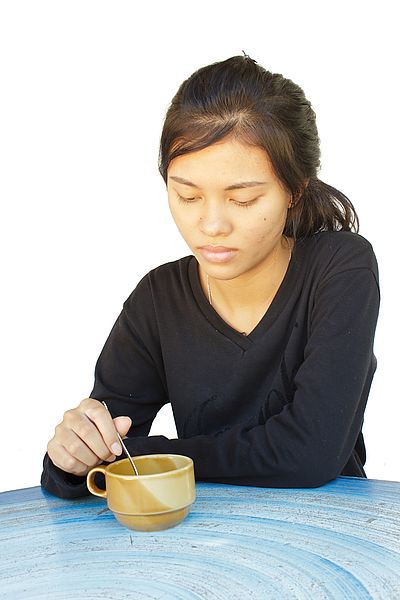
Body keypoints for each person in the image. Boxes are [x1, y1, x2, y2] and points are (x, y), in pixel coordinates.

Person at [41, 53, 380, 499]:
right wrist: (69, 459)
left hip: (333, 533)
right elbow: (100, 462)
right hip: (202, 543)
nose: (212, 224)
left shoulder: (340, 267)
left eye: (242, 199)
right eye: (187, 195)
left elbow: (310, 452)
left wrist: (141, 456)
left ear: (295, 190)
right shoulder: (157, 300)